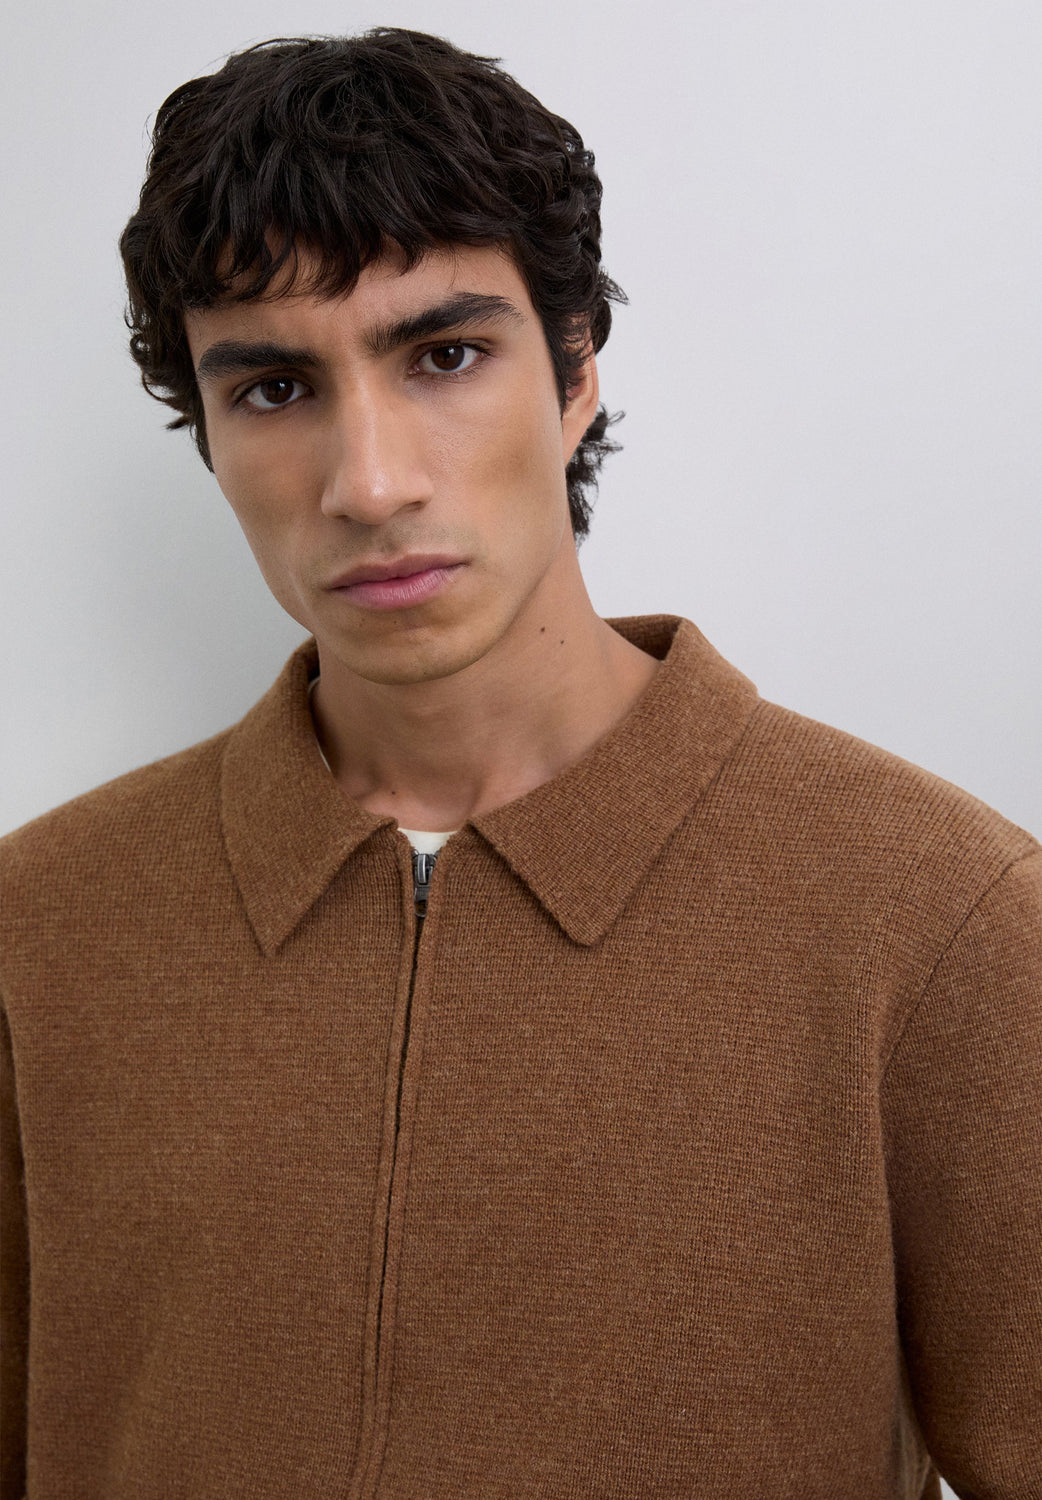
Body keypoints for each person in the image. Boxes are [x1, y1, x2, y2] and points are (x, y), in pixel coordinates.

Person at [1, 27, 1039, 1499]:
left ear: (573, 375)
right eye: (275, 388)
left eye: (444, 356)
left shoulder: (936, 919)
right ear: (209, 436)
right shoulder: (38, 930)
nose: (370, 482)